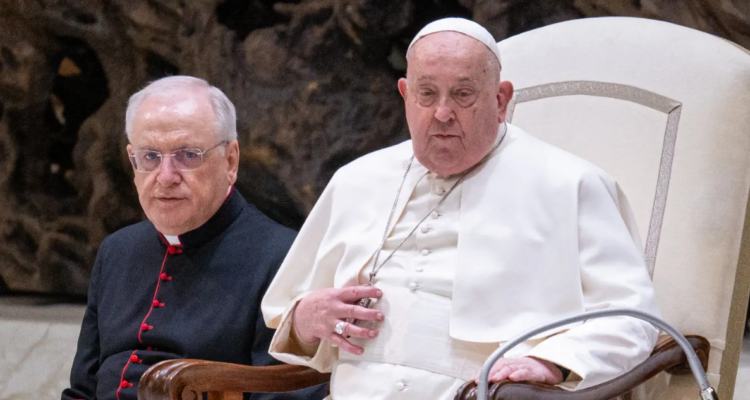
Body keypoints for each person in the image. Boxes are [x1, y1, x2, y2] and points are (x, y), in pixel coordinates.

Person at [261, 18, 660, 399]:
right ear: (405, 95)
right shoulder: (357, 180)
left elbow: (632, 321)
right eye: (427, 93)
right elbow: (291, 321)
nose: (442, 113)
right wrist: (305, 319)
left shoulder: (572, 184)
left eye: (463, 94)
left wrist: (549, 363)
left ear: (501, 100)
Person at [62, 76, 327, 400]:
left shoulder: (285, 257)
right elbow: (82, 390)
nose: (166, 177)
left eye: (187, 155)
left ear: (230, 161)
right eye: (150, 157)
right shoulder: (117, 250)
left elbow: (283, 393)